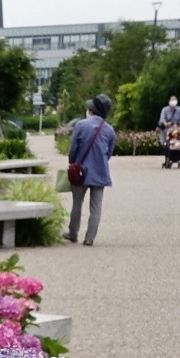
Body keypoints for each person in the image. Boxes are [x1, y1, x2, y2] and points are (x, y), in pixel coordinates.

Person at [65, 94, 116, 247]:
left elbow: (73, 149)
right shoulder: (109, 130)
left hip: (81, 171)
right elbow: (109, 153)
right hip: (100, 173)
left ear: (91, 110)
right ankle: (89, 238)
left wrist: (73, 163)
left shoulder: (81, 125)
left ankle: (73, 234)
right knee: (96, 207)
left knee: (77, 204)